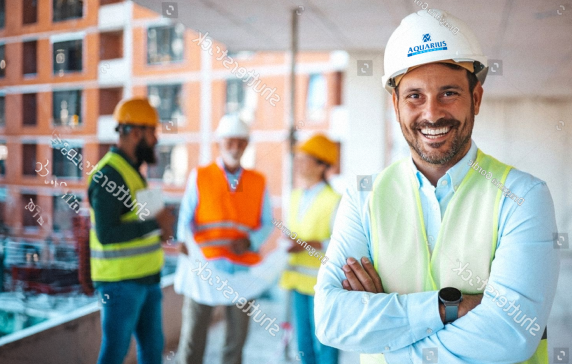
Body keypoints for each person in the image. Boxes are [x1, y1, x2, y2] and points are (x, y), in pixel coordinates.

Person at [314, 9, 559, 364]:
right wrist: (449, 308)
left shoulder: (524, 196)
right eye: (414, 96)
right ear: (395, 104)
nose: (431, 114)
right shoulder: (363, 198)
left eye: (448, 93)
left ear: (475, 98)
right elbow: (331, 320)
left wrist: (387, 333)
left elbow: (509, 334)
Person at [175, 114, 273, 364]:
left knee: (235, 344)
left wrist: (250, 241)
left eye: (241, 142)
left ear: (247, 144)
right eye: (230, 141)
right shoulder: (200, 176)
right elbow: (185, 220)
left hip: (242, 273)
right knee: (192, 341)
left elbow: (268, 222)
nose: (236, 147)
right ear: (219, 142)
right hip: (204, 271)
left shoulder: (257, 181)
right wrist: (184, 243)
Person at [88, 97, 175, 364]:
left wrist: (161, 227)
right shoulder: (109, 175)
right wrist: (155, 224)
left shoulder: (133, 171)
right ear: (135, 132)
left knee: (151, 350)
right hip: (120, 284)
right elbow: (107, 233)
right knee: (115, 352)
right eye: (153, 132)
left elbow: (137, 220)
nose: (156, 140)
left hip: (147, 278)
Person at [279, 134, 341, 364]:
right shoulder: (294, 197)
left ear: (321, 165)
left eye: (305, 159)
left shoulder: (335, 200)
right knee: (303, 344)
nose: (298, 163)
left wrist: (307, 244)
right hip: (297, 282)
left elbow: (340, 245)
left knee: (326, 341)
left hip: (324, 285)